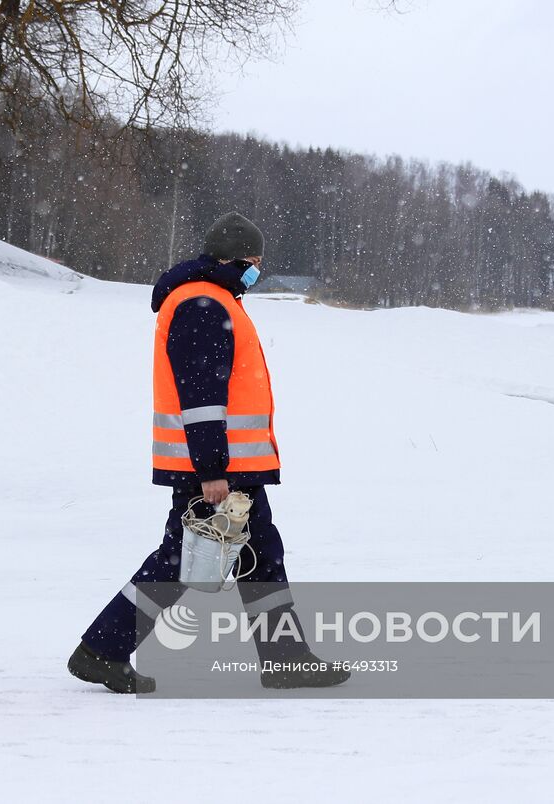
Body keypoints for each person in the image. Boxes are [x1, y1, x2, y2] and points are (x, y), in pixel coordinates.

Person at [68, 212, 350, 693]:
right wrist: (212, 468)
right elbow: (200, 394)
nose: (255, 270)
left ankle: (284, 657)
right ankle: (103, 649)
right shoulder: (202, 302)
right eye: (252, 261)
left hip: (229, 466)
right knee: (183, 559)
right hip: (216, 468)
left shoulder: (214, 298)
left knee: (257, 554)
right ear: (228, 258)